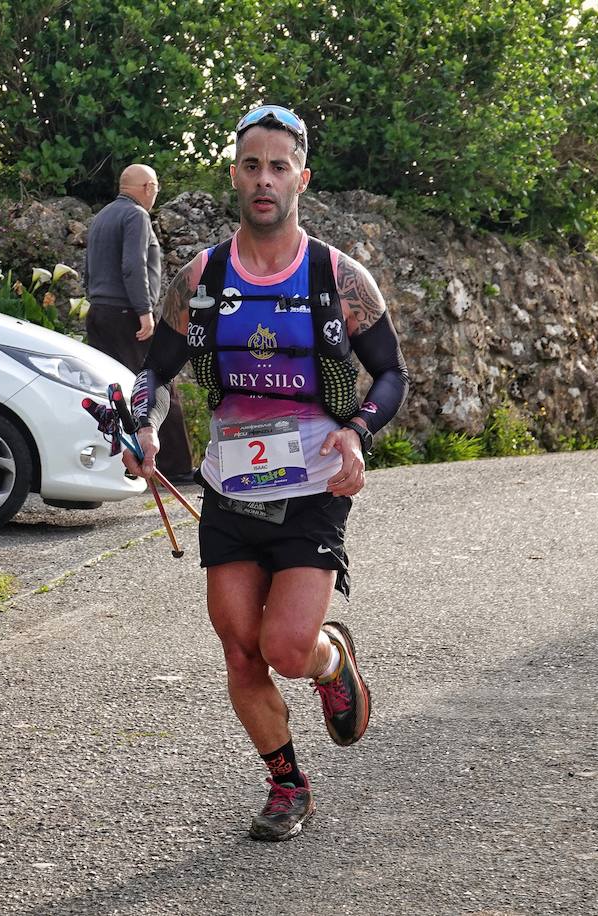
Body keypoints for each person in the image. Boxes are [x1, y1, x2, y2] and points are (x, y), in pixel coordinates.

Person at [123, 105, 409, 841]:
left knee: (285, 647)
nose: (264, 179)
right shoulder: (202, 277)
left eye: (279, 166)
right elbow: (154, 375)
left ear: (301, 179)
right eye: (252, 164)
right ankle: (288, 784)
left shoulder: (340, 279)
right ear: (234, 175)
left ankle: (330, 658)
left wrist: (355, 434)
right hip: (230, 484)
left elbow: (390, 375)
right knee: (240, 646)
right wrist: (143, 430)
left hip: (314, 486)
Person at [84, 163, 195, 483]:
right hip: (128, 314)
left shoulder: (102, 216)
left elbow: (88, 269)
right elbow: (133, 265)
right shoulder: (136, 216)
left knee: (109, 390)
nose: (156, 195)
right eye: (156, 189)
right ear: (148, 187)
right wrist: (144, 310)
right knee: (158, 380)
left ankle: (116, 466)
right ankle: (174, 467)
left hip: (99, 311)